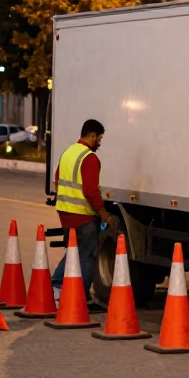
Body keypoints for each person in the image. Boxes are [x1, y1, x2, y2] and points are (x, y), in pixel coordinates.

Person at [51, 118, 119, 302]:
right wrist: (104, 215)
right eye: (99, 138)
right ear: (92, 135)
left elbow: (57, 180)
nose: (99, 143)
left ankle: (56, 284)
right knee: (88, 255)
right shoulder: (89, 158)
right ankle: (81, 299)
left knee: (75, 252)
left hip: (65, 213)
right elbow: (90, 190)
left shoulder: (68, 152)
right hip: (82, 215)